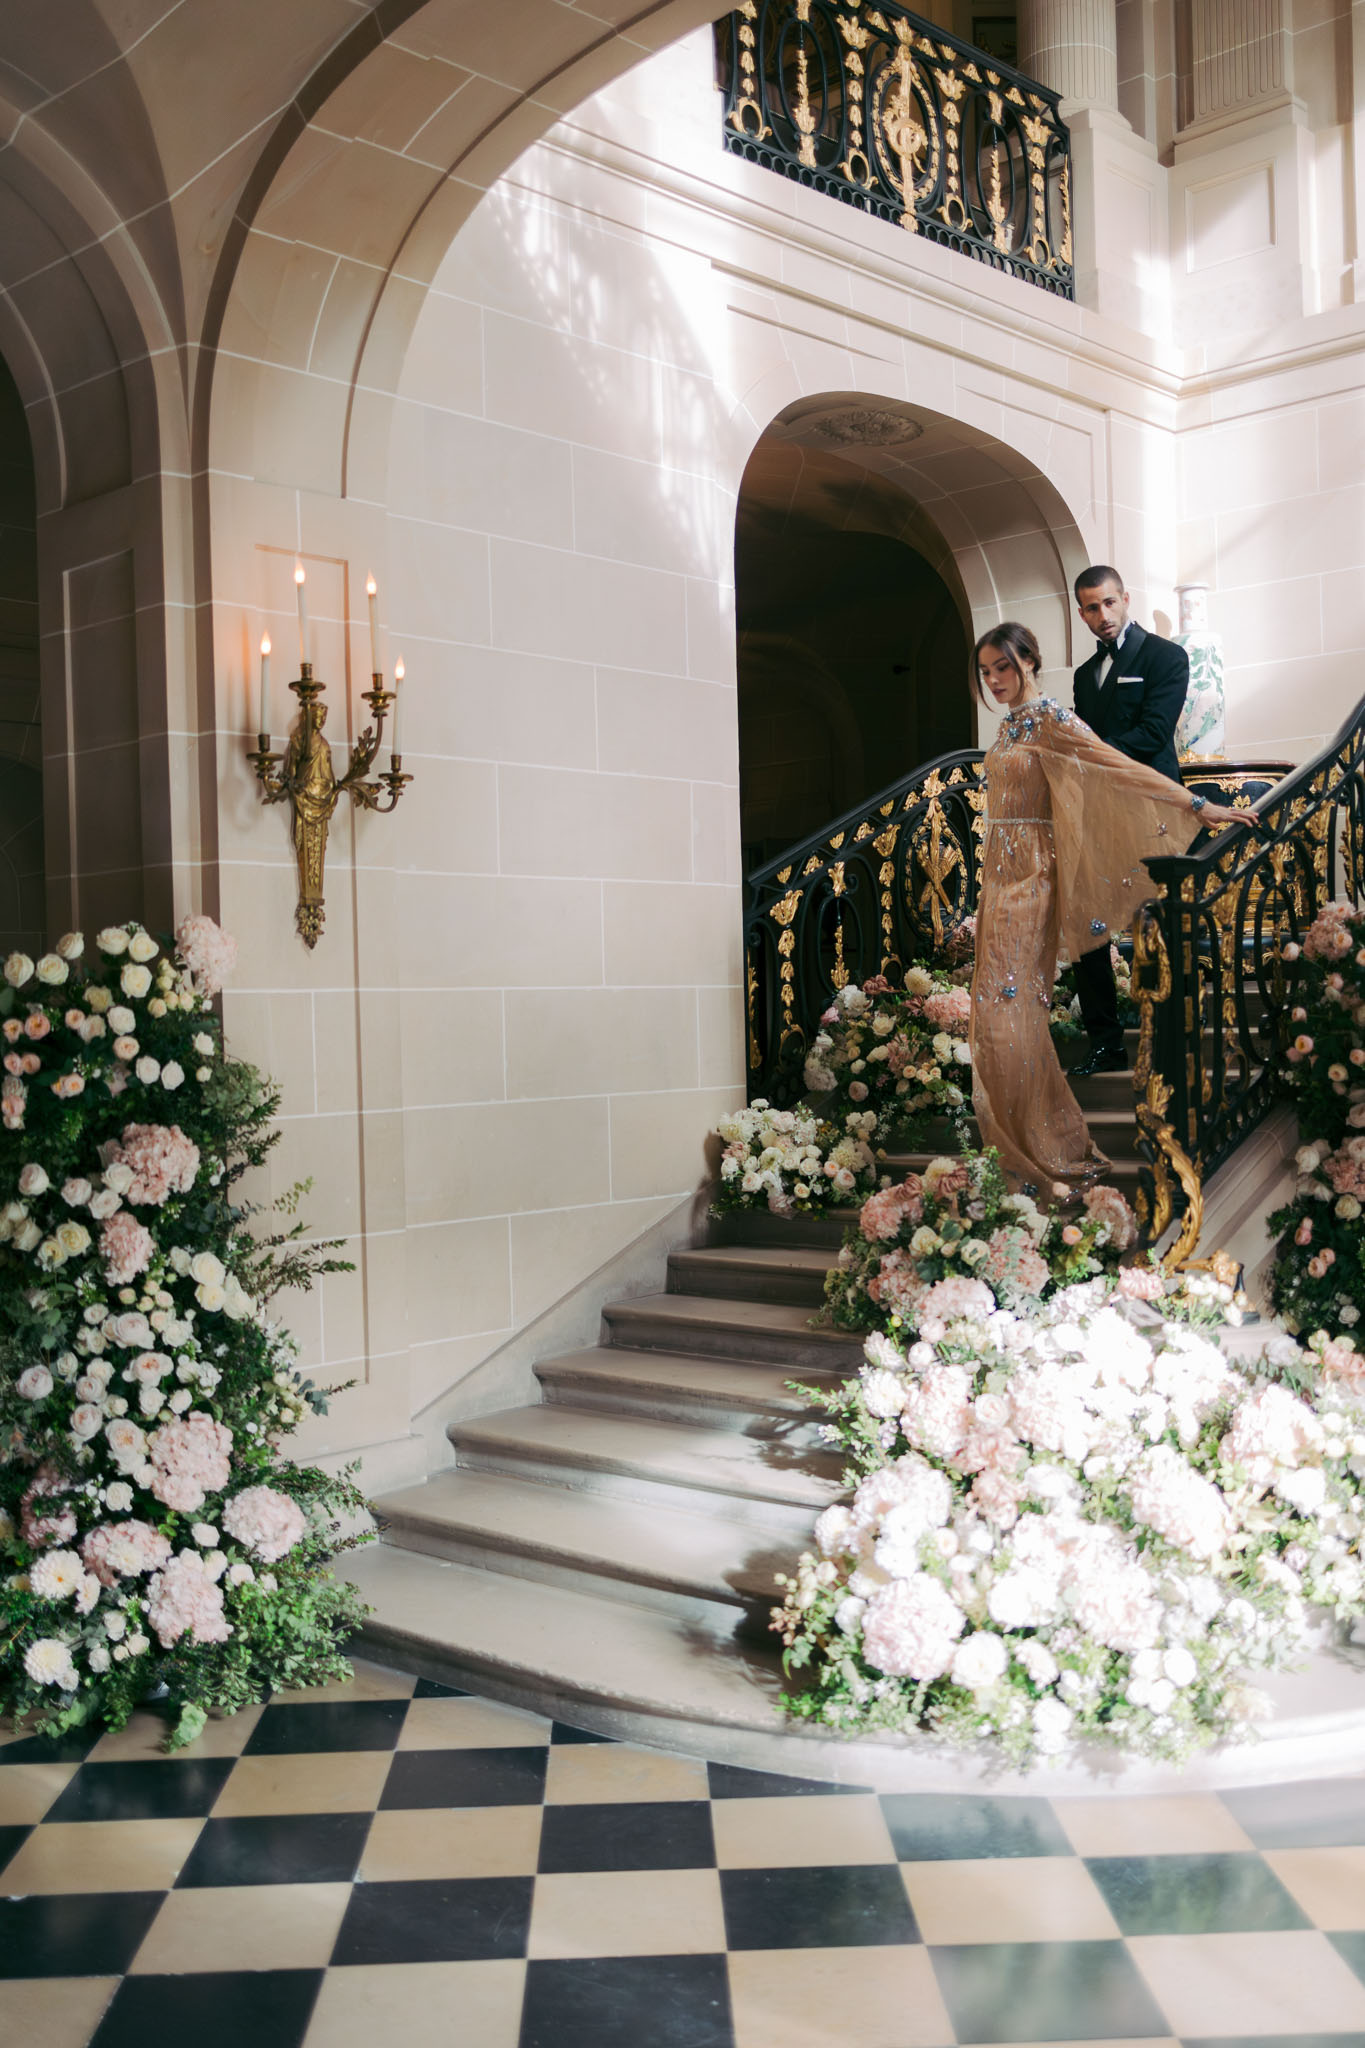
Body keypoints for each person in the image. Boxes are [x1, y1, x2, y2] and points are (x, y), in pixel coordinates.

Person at [968, 622, 1244, 1195]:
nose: (994, 679)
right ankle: (1020, 1150)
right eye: (986, 671)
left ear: (1029, 661)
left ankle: (1041, 1151)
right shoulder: (1006, 729)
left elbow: (1113, 764)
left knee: (1008, 1014)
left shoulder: (1051, 719)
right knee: (993, 1016)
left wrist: (1198, 803)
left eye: (1003, 667)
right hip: (998, 881)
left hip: (1034, 880)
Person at [1069, 564, 1190, 1076]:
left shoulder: (1166, 656)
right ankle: (1105, 1040)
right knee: (1086, 924)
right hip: (1097, 813)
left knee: (1150, 920)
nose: (1103, 616)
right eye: (1092, 608)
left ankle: (1161, 1033)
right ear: (1082, 613)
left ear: (1126, 599)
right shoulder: (1083, 675)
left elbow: (1154, 732)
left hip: (1151, 809)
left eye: (1109, 603)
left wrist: (1091, 758)